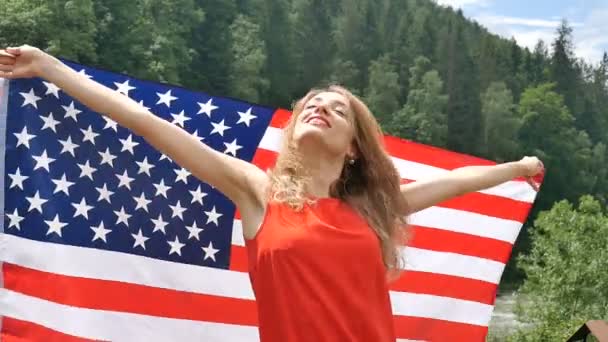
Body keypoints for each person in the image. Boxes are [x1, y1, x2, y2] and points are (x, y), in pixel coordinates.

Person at [0, 45, 544, 341]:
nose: (320, 108)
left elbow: (450, 185)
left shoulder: (370, 207)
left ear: (353, 147)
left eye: (338, 110)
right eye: (313, 101)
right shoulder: (257, 192)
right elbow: (147, 123)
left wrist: (515, 167)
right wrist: (49, 69)